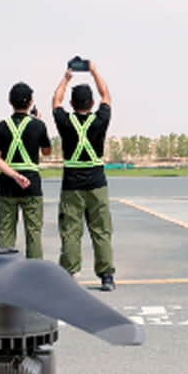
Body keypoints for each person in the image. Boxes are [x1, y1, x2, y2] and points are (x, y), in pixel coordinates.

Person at [52, 60, 115, 291]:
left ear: (72, 103)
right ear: (91, 103)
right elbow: (106, 94)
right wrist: (95, 70)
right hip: (97, 184)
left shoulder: (65, 122)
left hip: (72, 186)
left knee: (70, 231)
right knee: (101, 231)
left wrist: (66, 78)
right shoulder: (101, 120)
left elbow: (55, 101)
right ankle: (106, 276)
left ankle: (68, 274)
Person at [0, 82, 52, 259]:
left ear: (10, 101)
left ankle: (4, 272)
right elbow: (47, 152)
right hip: (31, 183)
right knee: (34, 232)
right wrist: (39, 124)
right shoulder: (38, 126)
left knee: (6, 232)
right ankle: (35, 273)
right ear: (31, 102)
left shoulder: (1, 126)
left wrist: (15, 175)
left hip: (7, 185)